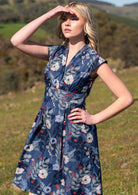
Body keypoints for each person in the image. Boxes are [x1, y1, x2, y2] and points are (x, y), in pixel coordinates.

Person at [11, 2, 133, 195]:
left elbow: (126, 97)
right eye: (63, 19)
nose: (67, 23)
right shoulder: (55, 53)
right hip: (46, 132)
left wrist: (94, 118)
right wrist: (50, 14)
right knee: (36, 190)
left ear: (86, 25)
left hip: (74, 137)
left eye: (74, 18)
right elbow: (17, 40)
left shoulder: (94, 60)